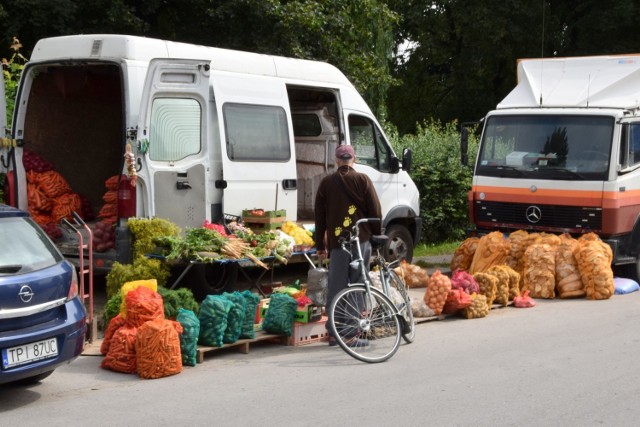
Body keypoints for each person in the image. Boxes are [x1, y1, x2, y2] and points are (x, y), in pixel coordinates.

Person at [314, 144, 382, 346]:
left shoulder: (326, 183)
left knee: (337, 286)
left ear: (336, 160)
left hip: (337, 243)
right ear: (354, 159)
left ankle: (334, 334)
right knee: (358, 284)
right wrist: (377, 236)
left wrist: (320, 244)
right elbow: (375, 211)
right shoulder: (363, 180)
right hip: (361, 240)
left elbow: (319, 216)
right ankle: (350, 335)